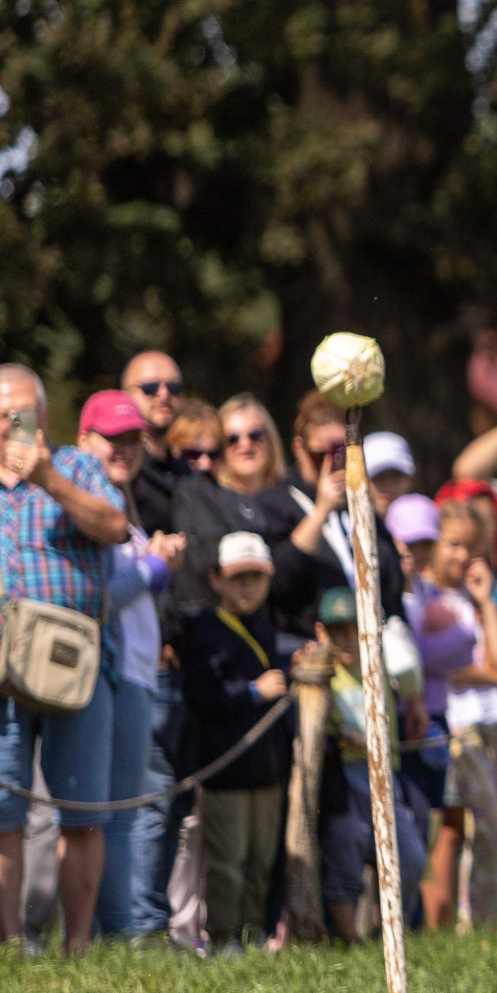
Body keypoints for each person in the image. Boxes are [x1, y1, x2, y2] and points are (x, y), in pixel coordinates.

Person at [0, 365, 132, 956]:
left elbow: (117, 528)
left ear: (43, 414)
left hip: (76, 671)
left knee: (82, 814)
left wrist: (48, 479)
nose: (13, 423)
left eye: (25, 411)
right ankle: (13, 949)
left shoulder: (79, 468)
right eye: (2, 414)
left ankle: (78, 949)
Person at [76, 390, 185, 939]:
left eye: (132, 439)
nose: (124, 449)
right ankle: (119, 936)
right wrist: (156, 569)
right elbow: (96, 594)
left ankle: (118, 933)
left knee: (124, 812)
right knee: (110, 814)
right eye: (111, 438)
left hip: (137, 675)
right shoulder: (85, 505)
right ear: (83, 440)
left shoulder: (122, 505)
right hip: (110, 675)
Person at [178, 533, 295, 953]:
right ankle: (226, 937)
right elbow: (200, 697)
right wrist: (251, 692)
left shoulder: (266, 627)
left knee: (261, 860)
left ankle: (253, 932)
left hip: (267, 765)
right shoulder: (203, 630)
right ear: (217, 579)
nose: (248, 586)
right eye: (238, 577)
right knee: (228, 860)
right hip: (225, 767)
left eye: (256, 577)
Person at [132, 398, 221, 941]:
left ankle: (166, 924)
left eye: (213, 454)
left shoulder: (206, 496)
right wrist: (166, 637)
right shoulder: (146, 489)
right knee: (154, 798)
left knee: (181, 801)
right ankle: (141, 926)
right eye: (192, 453)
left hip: (203, 665)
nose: (204, 463)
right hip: (161, 664)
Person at [416, 499, 497, 930]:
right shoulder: (426, 596)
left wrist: (484, 601)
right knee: (457, 829)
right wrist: (495, 678)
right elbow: (441, 665)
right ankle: (450, 924)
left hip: (496, 723)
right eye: (453, 544)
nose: (461, 556)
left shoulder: (473, 596)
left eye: (471, 547)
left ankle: (490, 922)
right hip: (458, 724)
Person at [313, 587, 426, 941]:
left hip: (384, 775)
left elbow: (410, 682)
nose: (347, 638)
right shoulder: (320, 673)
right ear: (322, 633)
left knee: (409, 858)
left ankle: (391, 935)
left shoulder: (381, 669)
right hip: (342, 777)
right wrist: (339, 736)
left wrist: (417, 701)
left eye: (353, 628)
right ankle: (350, 941)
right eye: (337, 630)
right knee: (345, 854)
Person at [171, 396, 324, 630]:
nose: (245, 445)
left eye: (255, 435)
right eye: (232, 439)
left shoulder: (296, 495)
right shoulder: (199, 503)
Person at [283, 392, 404, 633]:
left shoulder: (358, 504)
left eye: (340, 454)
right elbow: (281, 580)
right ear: (299, 447)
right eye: (320, 456)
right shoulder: (278, 501)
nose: (333, 464)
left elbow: (392, 582)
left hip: (370, 644)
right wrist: (320, 513)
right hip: (311, 643)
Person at [119, 351, 188, 538]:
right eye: (150, 387)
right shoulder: (119, 469)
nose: (164, 394)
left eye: (173, 387)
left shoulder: (191, 468)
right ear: (125, 396)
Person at [363, 433, 416, 509]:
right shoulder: (346, 520)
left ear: (410, 481)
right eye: (379, 476)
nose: (388, 483)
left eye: (396, 475)